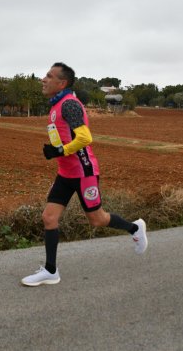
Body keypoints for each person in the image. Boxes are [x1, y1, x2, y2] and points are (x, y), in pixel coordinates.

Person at [21, 62, 147, 287]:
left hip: (83, 172)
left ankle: (135, 228)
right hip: (65, 172)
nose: (43, 79)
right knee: (49, 218)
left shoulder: (69, 104)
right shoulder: (56, 105)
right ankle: (51, 271)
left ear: (62, 83)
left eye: (49, 76)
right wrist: (57, 151)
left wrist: (60, 150)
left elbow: (85, 138)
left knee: (97, 220)